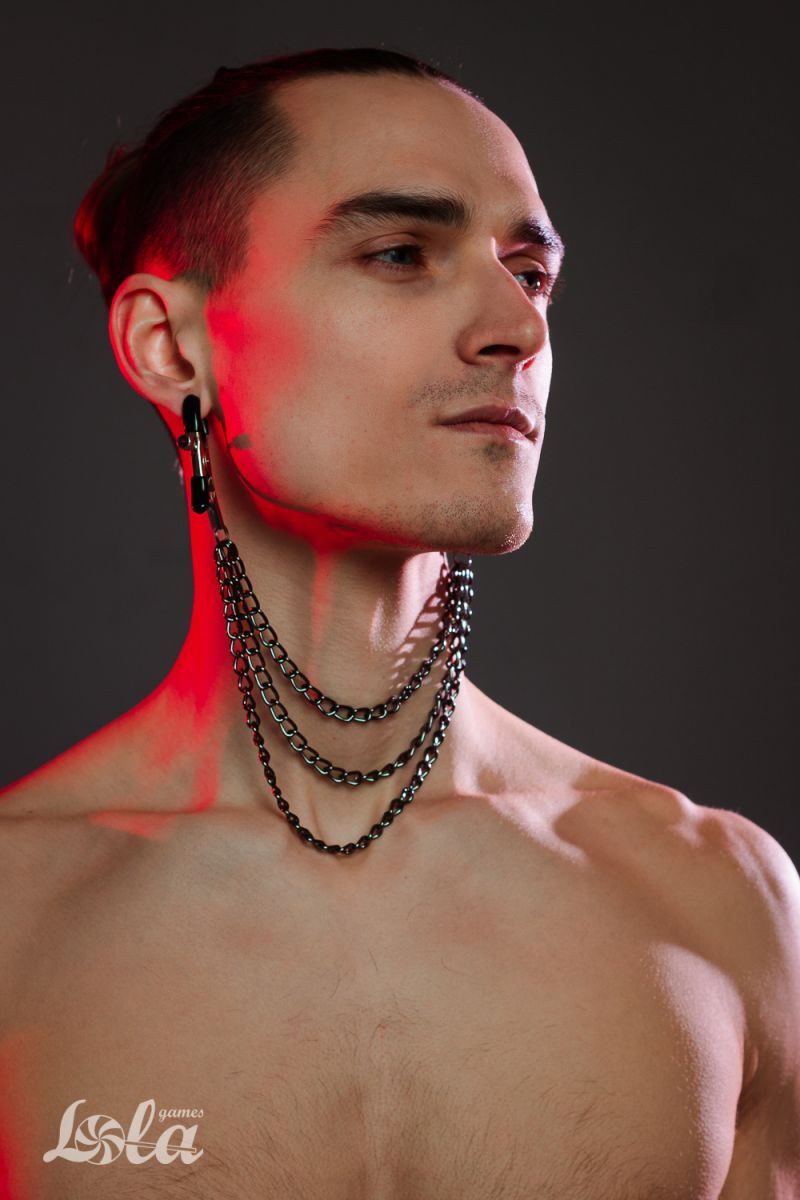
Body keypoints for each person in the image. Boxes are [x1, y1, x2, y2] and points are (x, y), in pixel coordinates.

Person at [0, 46, 798, 1199]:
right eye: (399, 254)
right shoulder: (20, 920)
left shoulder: (716, 902)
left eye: (529, 272)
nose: (516, 328)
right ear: (171, 347)